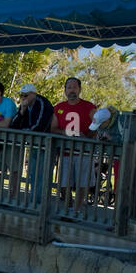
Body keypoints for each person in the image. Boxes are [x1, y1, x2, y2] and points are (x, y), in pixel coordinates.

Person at [53, 77, 99, 206]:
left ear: (79, 89)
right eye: (69, 87)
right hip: (66, 152)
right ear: (65, 90)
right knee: (63, 183)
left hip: (84, 152)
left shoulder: (89, 107)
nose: (72, 90)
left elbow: (98, 124)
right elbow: (53, 128)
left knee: (82, 182)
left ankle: (76, 209)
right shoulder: (59, 108)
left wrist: (88, 138)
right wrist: (70, 133)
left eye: (74, 87)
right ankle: (69, 206)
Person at [9, 84, 55, 203]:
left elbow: (40, 126)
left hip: (45, 145)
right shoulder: (25, 105)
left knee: (41, 175)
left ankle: (39, 203)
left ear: (34, 94)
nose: (23, 98)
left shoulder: (42, 104)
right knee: (33, 174)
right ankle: (34, 201)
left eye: (26, 95)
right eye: (21, 95)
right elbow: (14, 125)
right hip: (34, 145)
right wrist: (22, 111)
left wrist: (24, 132)